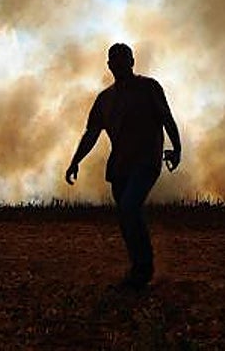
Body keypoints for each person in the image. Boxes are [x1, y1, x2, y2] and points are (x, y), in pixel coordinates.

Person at [66, 42, 182, 290]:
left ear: (132, 61)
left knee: (130, 207)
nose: (118, 63)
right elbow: (91, 134)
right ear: (109, 65)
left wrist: (177, 147)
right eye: (114, 59)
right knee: (127, 215)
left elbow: (166, 117)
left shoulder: (148, 87)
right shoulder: (105, 99)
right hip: (120, 167)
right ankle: (139, 265)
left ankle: (143, 269)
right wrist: (75, 160)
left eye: (123, 58)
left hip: (146, 161)